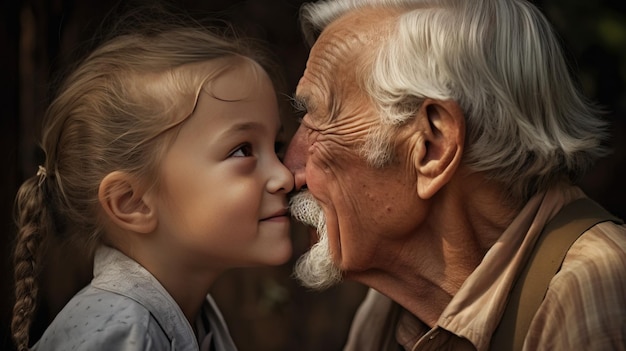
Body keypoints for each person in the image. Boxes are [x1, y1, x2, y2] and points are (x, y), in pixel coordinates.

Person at [285, 0, 626, 350]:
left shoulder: (592, 294)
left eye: (316, 122)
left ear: (433, 145)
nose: (289, 169)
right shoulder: (388, 315)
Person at [10, 6, 294, 351]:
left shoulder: (187, 318)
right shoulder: (119, 333)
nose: (284, 175)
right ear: (133, 202)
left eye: (277, 147)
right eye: (242, 150)